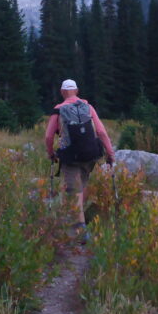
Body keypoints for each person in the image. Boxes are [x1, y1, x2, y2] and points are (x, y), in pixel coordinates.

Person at [45, 79, 115, 243]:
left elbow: (49, 136)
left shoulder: (58, 110)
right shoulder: (88, 107)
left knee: (74, 191)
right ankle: (77, 222)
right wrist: (110, 153)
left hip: (70, 157)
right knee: (80, 187)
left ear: (63, 92)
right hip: (90, 155)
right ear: (76, 90)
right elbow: (101, 132)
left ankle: (80, 231)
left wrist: (51, 153)